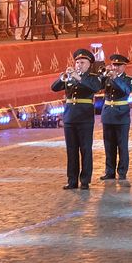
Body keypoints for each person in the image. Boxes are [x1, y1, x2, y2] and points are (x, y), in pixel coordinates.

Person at [51, 48, 104, 190]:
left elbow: (94, 87)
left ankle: (85, 180)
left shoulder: (93, 77)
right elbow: (54, 88)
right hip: (70, 117)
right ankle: (72, 180)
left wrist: (79, 77)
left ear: (89, 64)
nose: (79, 65)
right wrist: (63, 77)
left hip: (85, 117)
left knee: (85, 149)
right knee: (71, 149)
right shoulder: (70, 76)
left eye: (82, 62)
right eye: (77, 62)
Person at [99, 54, 132, 181]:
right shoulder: (107, 77)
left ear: (124, 66)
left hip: (121, 115)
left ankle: (122, 172)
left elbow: (126, 90)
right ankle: (109, 171)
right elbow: (97, 86)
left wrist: (115, 78)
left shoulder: (129, 79)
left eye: (119, 65)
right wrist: (103, 75)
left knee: (122, 145)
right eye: (114, 65)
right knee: (109, 145)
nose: (116, 67)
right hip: (108, 114)